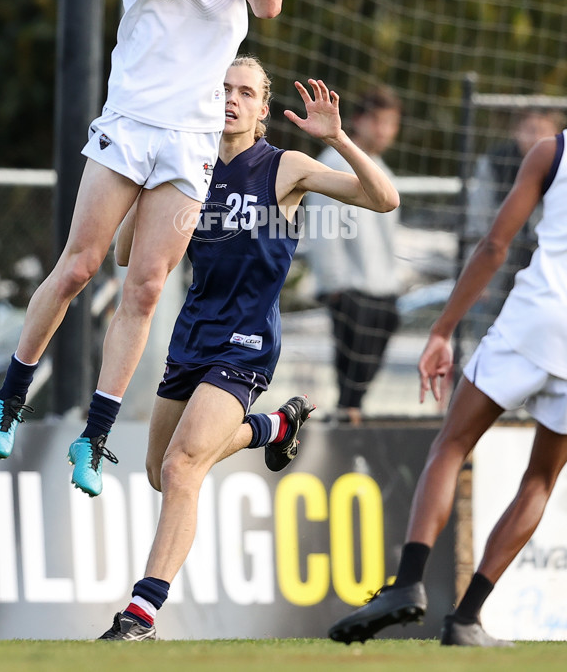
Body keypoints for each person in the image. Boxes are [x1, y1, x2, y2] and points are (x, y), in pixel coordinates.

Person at [0, 0, 282, 494]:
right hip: (133, 125)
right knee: (81, 266)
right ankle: (10, 395)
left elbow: (267, 6)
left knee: (146, 288)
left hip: (192, 140)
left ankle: (94, 435)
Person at [98, 56, 400, 639]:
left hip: (247, 341)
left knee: (184, 465)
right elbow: (124, 254)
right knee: (161, 471)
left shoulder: (283, 168)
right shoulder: (188, 166)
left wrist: (338, 138)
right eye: (222, 89)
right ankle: (274, 429)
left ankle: (141, 612)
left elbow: (384, 198)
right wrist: (145, 178)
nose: (231, 99)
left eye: (244, 92)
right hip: (191, 336)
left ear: (263, 110)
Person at [328, 125, 567, 647]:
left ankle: (409, 583)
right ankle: (466, 618)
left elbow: (494, 246)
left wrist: (442, 329)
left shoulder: (555, 150)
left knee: (452, 445)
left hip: (536, 318)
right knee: (541, 481)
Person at [304, 85, 402, 424]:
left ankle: (350, 418)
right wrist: (334, 283)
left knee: (364, 375)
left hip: (383, 287)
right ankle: (344, 427)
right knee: (349, 373)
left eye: (391, 123)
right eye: (378, 121)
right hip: (350, 287)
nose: (384, 131)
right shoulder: (332, 163)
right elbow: (322, 226)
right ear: (357, 120)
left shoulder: (382, 170)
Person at [466, 108, 562, 338]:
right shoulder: (495, 163)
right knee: (487, 343)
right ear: (516, 132)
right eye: (530, 130)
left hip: (547, 279)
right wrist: (477, 278)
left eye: (543, 130)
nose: (536, 137)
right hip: (499, 274)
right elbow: (478, 224)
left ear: (556, 134)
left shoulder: (561, 166)